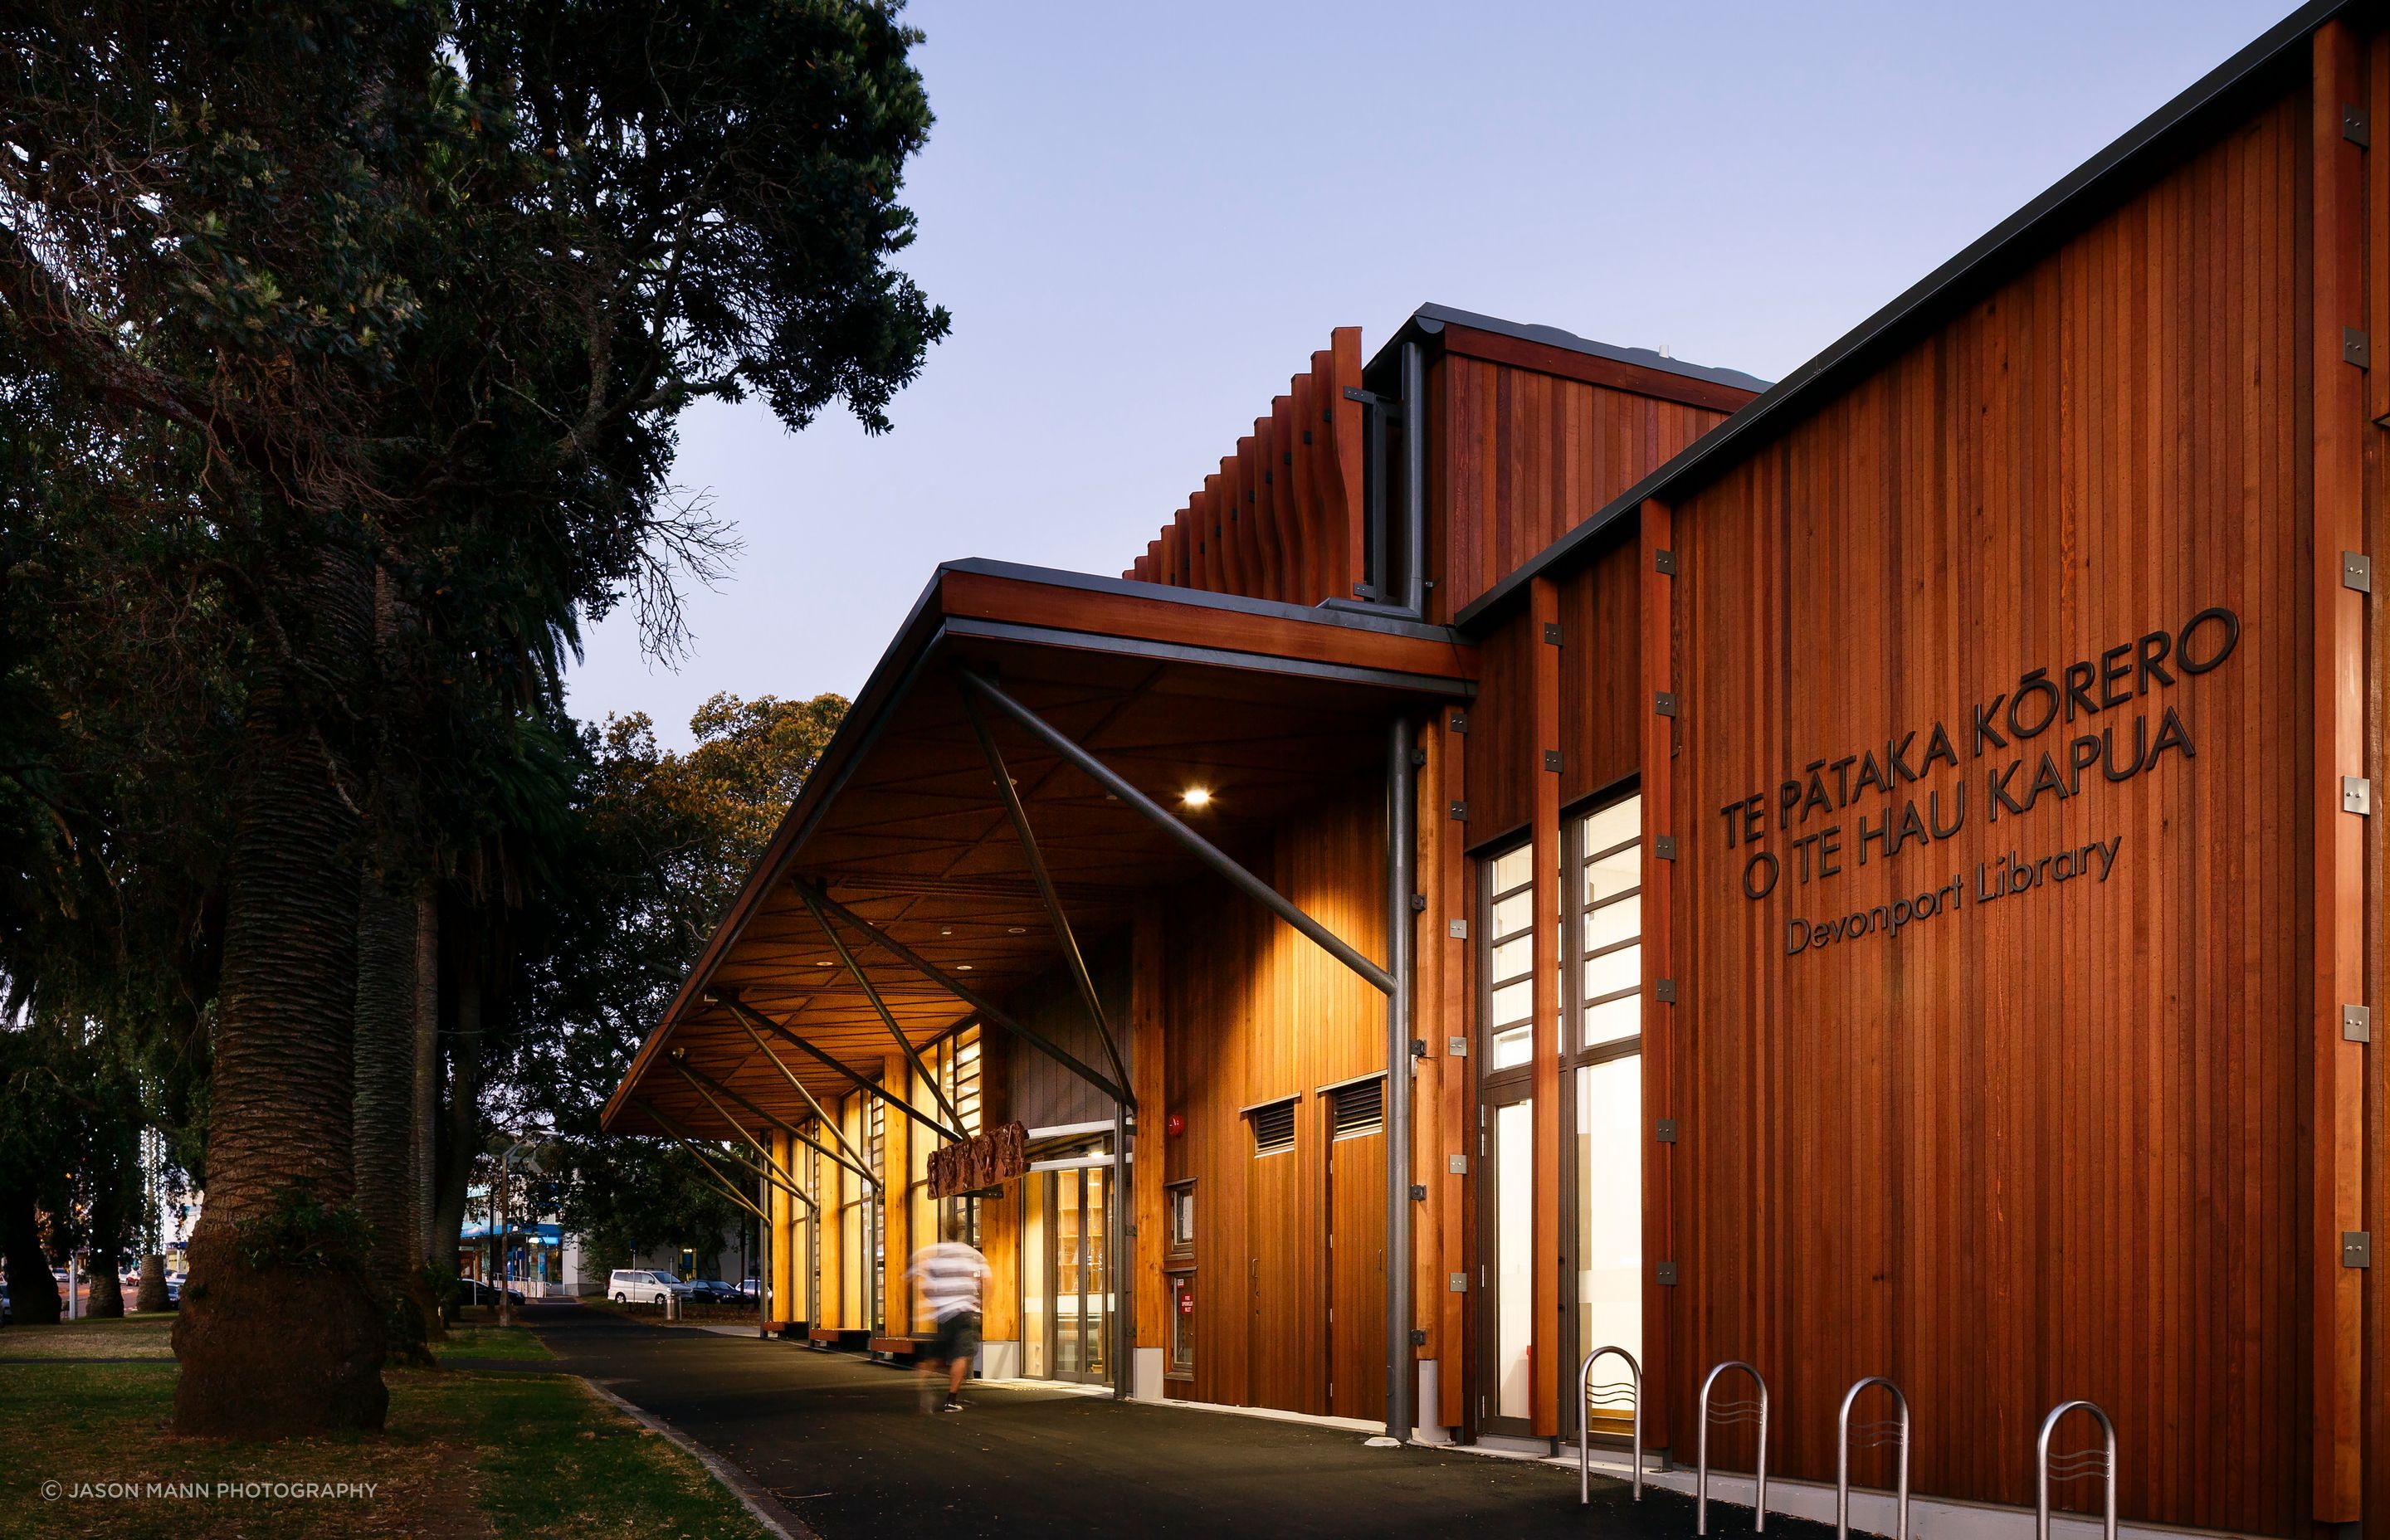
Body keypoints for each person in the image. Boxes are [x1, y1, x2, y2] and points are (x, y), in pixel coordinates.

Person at [904, 1221, 990, 1413]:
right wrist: (983, 1303)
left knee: (938, 1354)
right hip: (964, 1312)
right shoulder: (970, 1253)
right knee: (962, 1355)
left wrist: (937, 1301)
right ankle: (951, 1399)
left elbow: (924, 1285)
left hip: (944, 1315)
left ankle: (923, 1382)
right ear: (962, 1233)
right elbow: (986, 1279)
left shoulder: (937, 1254)